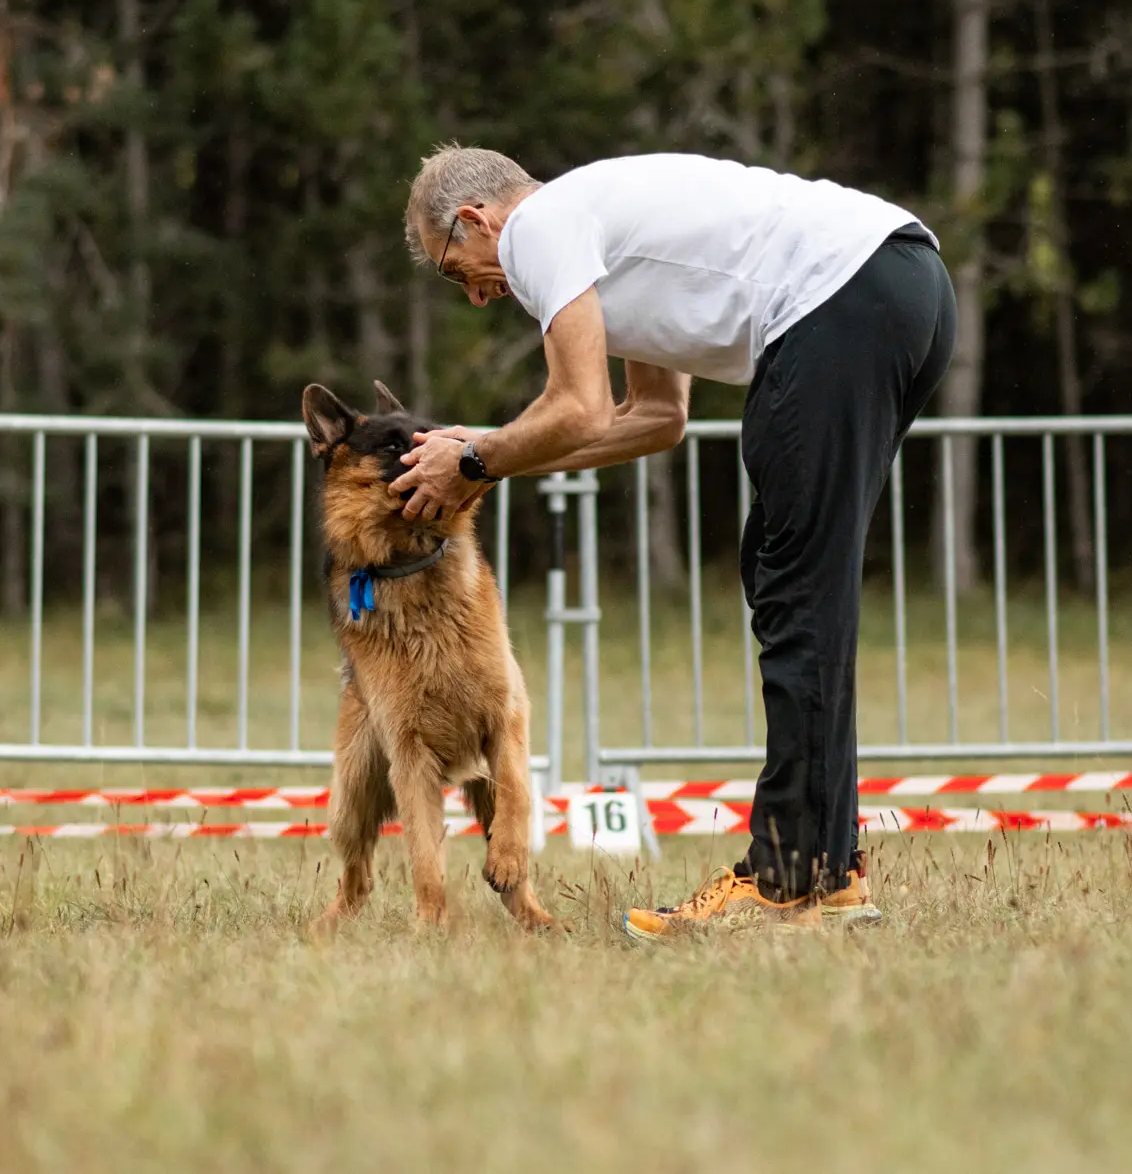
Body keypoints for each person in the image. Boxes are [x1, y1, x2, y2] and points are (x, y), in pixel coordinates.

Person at [391, 146, 955, 937]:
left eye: (458, 269)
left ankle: (787, 875)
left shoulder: (540, 227)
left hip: (840, 297)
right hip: (899, 284)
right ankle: (826, 872)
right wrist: (485, 461)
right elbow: (656, 418)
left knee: (795, 590)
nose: (479, 296)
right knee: (796, 583)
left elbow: (578, 406)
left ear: (477, 219)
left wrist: (477, 458)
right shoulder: (596, 232)